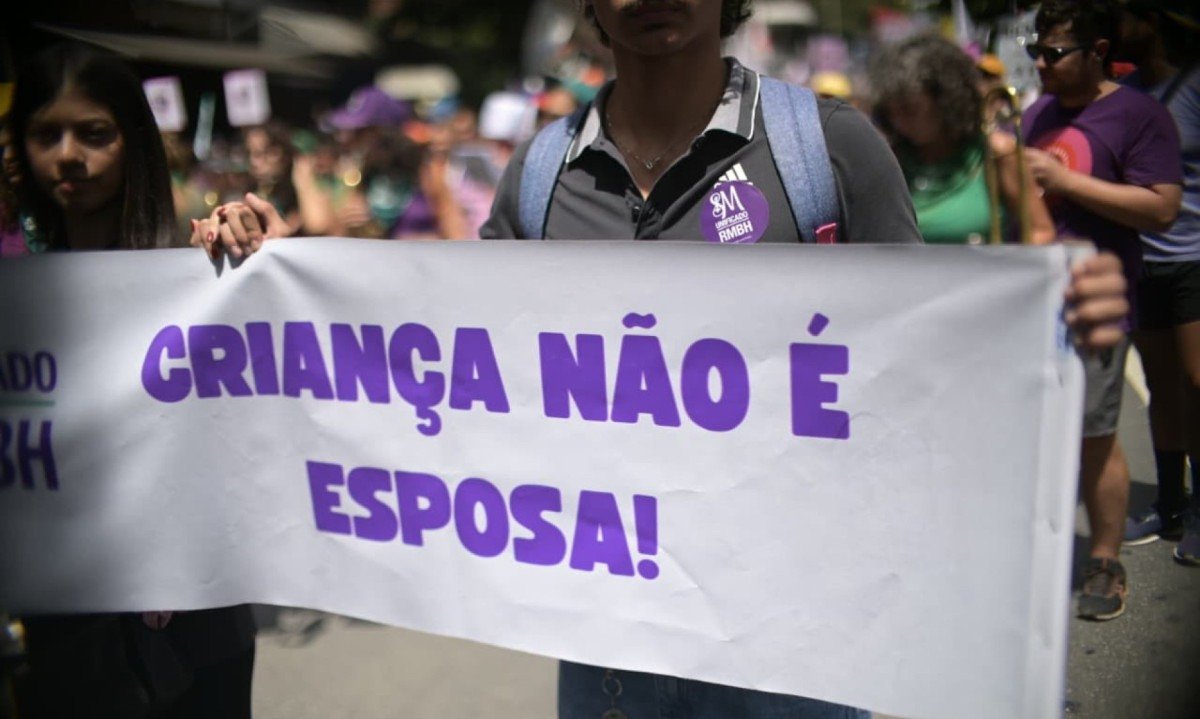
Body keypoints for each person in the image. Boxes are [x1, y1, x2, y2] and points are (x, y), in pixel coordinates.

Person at [196, 0, 1130, 715]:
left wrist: (1050, 317)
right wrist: (292, 274)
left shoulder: (827, 149)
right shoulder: (541, 172)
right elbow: (447, 353)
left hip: (795, 651)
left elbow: (934, 363)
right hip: (608, 655)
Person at [6, 42, 257, 718]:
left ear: (132, 142)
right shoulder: (11, 288)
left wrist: (253, 266)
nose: (68, 156)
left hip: (196, 625)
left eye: (94, 133)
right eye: (44, 134)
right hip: (64, 619)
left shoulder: (196, 264)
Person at [1022, 0, 1183, 619]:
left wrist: (1065, 184)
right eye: (1037, 50)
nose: (1040, 63)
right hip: (1037, 303)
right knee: (1047, 436)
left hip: (1099, 302)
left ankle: (1106, 558)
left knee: (1093, 434)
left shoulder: (1138, 116)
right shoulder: (1038, 113)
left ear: (1096, 52)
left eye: (1054, 53)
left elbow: (1162, 207)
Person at [1115, 0, 1200, 566]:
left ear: (1151, 21)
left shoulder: (1194, 86)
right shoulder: (1125, 96)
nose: (1111, 30)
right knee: (1162, 386)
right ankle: (1170, 507)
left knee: (1197, 382)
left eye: (1121, 16)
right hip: (1145, 261)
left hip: (1195, 256)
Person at [871, 34, 1055, 246]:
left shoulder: (996, 152)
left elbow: (1040, 231)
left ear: (946, 101)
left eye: (910, 110)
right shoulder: (890, 160)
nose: (898, 122)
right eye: (891, 112)